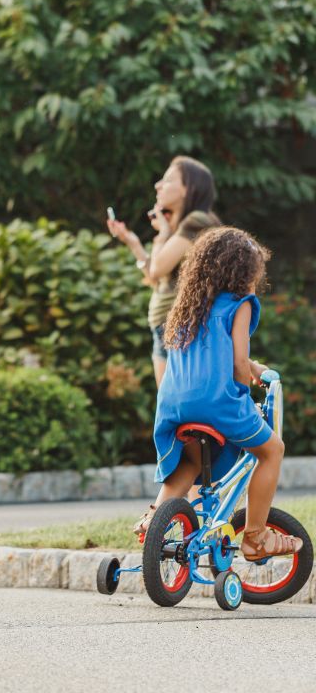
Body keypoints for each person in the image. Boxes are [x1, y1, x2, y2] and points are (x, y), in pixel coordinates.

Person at [132, 227, 303, 562]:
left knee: (191, 462)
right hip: (216, 403)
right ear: (245, 273)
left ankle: (154, 518)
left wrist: (252, 366)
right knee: (272, 450)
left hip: (173, 403)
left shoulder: (188, 305)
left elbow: (210, 353)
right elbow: (238, 361)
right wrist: (245, 385)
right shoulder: (241, 304)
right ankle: (255, 536)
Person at [107, 156, 220, 386]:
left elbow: (157, 269)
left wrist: (162, 235)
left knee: (174, 411)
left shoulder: (197, 221)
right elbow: (154, 278)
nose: (158, 185)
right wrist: (132, 242)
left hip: (177, 326)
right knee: (171, 409)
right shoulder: (184, 226)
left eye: (168, 180)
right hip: (166, 326)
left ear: (188, 189)